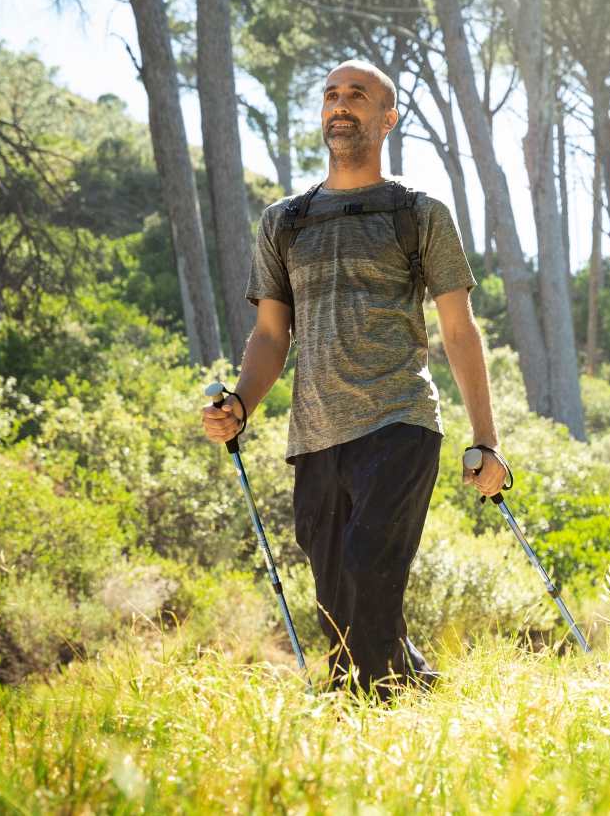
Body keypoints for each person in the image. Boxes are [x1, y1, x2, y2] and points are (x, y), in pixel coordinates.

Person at [204, 59, 509, 697]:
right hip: (315, 435)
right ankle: (416, 691)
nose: (341, 105)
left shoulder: (418, 212)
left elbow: (459, 330)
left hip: (400, 423)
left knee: (371, 573)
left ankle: (361, 723)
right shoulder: (284, 222)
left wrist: (487, 440)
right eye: (332, 95)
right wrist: (240, 403)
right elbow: (269, 335)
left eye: (358, 96)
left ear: (387, 118)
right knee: (339, 601)